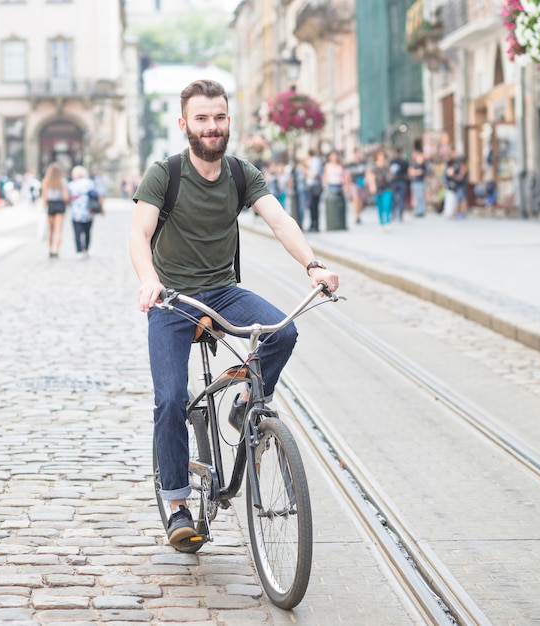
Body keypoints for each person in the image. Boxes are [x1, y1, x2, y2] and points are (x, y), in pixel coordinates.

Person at [129, 79, 339, 550]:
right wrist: (149, 279)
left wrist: (313, 264)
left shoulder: (242, 174)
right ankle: (179, 504)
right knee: (169, 399)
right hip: (173, 300)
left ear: (229, 121)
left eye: (219, 117)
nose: (212, 126)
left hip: (223, 292)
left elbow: (279, 219)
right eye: (202, 118)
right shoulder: (165, 174)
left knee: (282, 332)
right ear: (185, 124)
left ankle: (244, 402)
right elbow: (139, 235)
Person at [68, 165, 103, 258]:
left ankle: (79, 250)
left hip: (76, 212)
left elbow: (68, 198)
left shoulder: (71, 185)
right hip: (88, 211)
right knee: (87, 231)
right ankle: (86, 249)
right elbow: (96, 195)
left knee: (77, 232)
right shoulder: (90, 183)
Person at [41, 162, 70, 258]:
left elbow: (44, 198)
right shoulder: (62, 181)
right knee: (58, 230)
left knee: (51, 230)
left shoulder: (46, 181)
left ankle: (50, 249)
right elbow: (66, 197)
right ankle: (56, 250)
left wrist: (44, 208)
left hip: (51, 205)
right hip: (60, 205)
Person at [366, 150, 394, 231]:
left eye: (383, 157)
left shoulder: (388, 167)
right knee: (380, 207)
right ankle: (382, 223)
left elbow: (391, 176)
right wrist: (372, 186)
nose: (382, 158)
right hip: (377, 190)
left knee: (387, 205)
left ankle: (387, 222)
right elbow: (370, 178)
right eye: (380, 157)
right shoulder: (373, 168)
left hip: (387, 189)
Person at [344, 149, 367, 224]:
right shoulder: (350, 164)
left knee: (361, 201)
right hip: (353, 184)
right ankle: (357, 216)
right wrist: (347, 185)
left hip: (362, 184)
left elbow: (367, 173)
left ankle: (359, 214)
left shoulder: (363, 163)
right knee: (356, 200)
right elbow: (347, 175)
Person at [389, 148, 409, 221]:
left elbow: (391, 172)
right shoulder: (404, 161)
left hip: (394, 182)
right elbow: (407, 172)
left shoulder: (392, 161)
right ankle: (400, 214)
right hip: (402, 181)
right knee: (401, 198)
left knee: (393, 199)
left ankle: (393, 213)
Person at [305, 149, 323, 232]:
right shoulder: (314, 161)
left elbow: (314, 175)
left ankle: (315, 225)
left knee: (314, 206)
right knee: (312, 207)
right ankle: (313, 224)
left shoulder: (315, 161)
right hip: (311, 186)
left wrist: (305, 171)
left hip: (314, 186)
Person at [408, 143, 427, 217]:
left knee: (420, 196)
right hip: (415, 181)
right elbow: (410, 172)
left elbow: (421, 172)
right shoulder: (413, 162)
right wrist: (416, 172)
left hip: (420, 182)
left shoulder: (421, 162)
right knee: (416, 197)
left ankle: (421, 210)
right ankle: (417, 210)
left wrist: (415, 172)